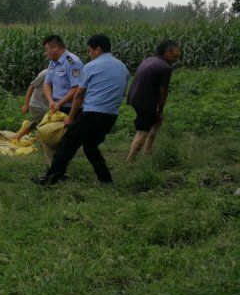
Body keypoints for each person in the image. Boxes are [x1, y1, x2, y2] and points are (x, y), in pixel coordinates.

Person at [34, 34, 129, 186]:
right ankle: (106, 181)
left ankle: (49, 180)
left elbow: (78, 95)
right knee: (90, 147)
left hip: (92, 113)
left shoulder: (90, 66)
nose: (89, 55)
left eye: (90, 51)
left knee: (67, 144)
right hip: (111, 115)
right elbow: (123, 93)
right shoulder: (123, 67)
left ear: (98, 49)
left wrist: (71, 117)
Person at [126, 39, 181, 161]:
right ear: (168, 52)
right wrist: (160, 109)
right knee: (142, 131)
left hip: (134, 96)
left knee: (157, 121)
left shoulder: (149, 60)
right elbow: (163, 93)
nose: (179, 53)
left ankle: (148, 152)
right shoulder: (165, 68)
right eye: (177, 50)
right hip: (145, 101)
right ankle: (129, 161)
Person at [14, 68, 48, 146]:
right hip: (36, 104)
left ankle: (42, 141)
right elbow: (32, 86)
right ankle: (18, 137)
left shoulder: (57, 73)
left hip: (44, 104)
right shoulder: (45, 74)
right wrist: (26, 104)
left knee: (41, 123)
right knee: (36, 124)